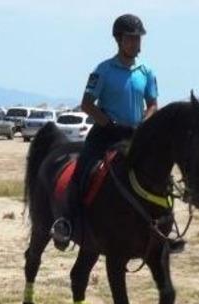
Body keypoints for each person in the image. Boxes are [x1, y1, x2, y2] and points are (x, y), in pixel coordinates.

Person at [50, 13, 158, 250]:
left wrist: (144, 123)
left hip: (134, 135)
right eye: (132, 38)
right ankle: (66, 223)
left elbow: (152, 104)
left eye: (139, 38)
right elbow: (87, 104)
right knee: (82, 172)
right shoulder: (103, 70)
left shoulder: (146, 71)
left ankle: (162, 227)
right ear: (119, 40)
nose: (137, 43)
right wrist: (107, 123)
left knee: (158, 173)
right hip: (105, 134)